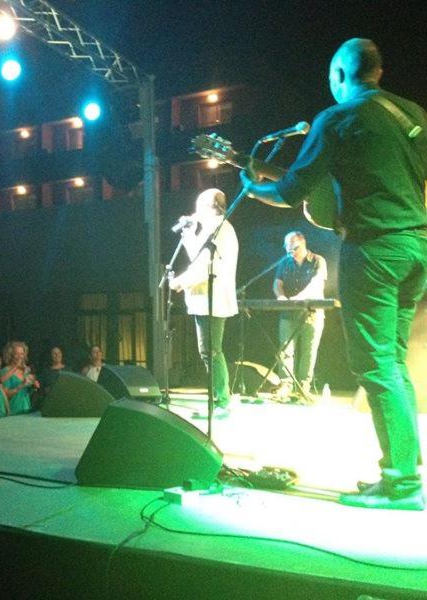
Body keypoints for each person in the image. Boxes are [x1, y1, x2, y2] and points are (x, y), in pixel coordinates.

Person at [240, 39, 426, 510]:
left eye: (330, 76)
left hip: (376, 247)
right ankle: (403, 470)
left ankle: (402, 483)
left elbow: (291, 190)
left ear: (341, 74)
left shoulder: (338, 118)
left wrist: (253, 188)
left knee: (376, 363)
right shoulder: (412, 114)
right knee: (392, 362)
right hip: (417, 247)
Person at [170, 188, 239, 420]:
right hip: (207, 299)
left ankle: (221, 402)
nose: (195, 211)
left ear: (210, 207)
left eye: (199, 207)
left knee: (211, 351)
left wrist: (179, 282)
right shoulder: (214, 228)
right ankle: (219, 401)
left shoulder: (220, 229)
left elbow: (204, 267)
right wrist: (189, 233)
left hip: (213, 298)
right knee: (210, 351)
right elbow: (197, 256)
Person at [272, 232, 328, 402]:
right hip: (289, 313)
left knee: (308, 352)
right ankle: (286, 386)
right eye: (288, 248)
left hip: (313, 313)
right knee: (285, 350)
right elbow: (277, 284)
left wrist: (298, 298)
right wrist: (281, 297)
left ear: (303, 243)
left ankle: (303, 388)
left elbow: (317, 283)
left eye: (294, 247)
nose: (291, 251)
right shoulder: (284, 262)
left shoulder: (318, 260)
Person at [0, 341, 38, 415]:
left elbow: (27, 393)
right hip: (13, 410)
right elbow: (5, 396)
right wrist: (21, 385)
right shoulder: (5, 371)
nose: (20, 356)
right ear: (11, 355)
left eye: (22, 354)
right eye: (16, 354)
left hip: (27, 409)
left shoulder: (27, 370)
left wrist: (33, 387)